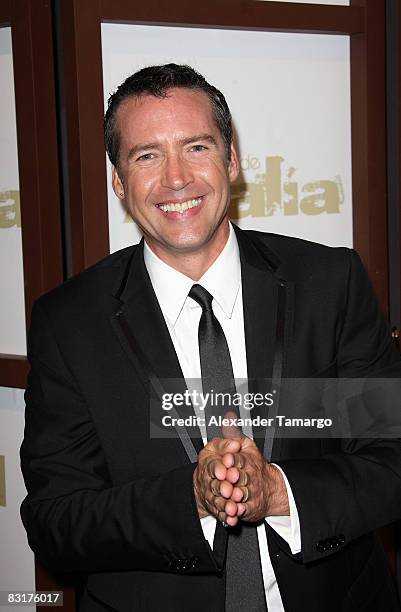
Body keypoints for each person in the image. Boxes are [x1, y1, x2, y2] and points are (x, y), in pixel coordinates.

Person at [20, 64, 401, 612]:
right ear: (119, 182)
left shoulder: (328, 284)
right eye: (146, 155)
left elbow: (388, 455)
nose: (176, 178)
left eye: (196, 147)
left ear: (232, 159)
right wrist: (190, 499)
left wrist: (276, 492)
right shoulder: (69, 323)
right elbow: (56, 520)